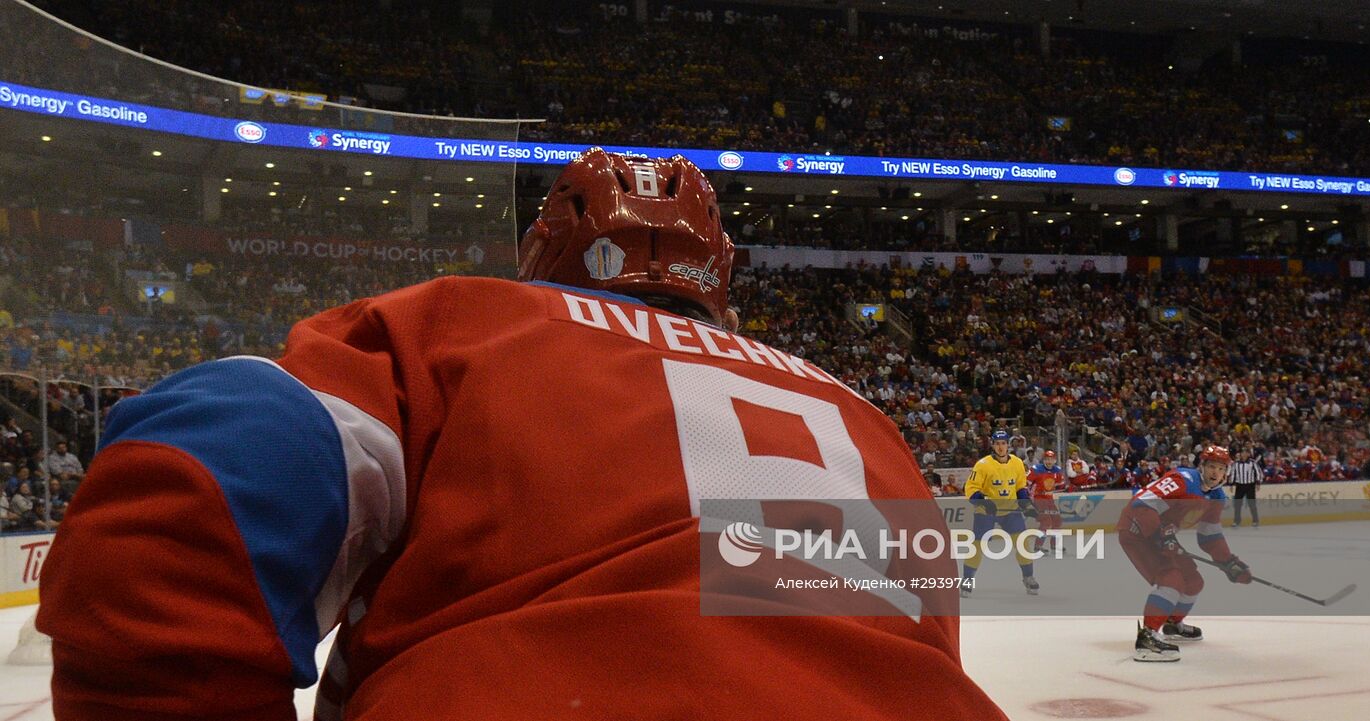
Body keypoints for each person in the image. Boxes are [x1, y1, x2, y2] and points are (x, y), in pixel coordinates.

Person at [38, 149, 1007, 720]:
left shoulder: (471, 324)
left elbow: (186, 483)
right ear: (724, 280)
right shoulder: (866, 421)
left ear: (543, 252)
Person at [1117, 445, 1252, 662]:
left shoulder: (1216, 497)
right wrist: (1160, 536)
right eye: (1211, 466)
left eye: (1220, 468)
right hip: (1137, 532)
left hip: (1162, 536)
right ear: (1202, 467)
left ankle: (1172, 623)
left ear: (1226, 473)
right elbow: (1142, 504)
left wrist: (1228, 562)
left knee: (1193, 582)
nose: (1215, 473)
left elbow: (1210, 537)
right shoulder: (1183, 479)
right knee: (1171, 580)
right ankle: (1147, 638)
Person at [961, 430, 1039, 597]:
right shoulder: (983, 464)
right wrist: (984, 502)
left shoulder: (1017, 463)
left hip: (1011, 509)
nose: (1001, 447)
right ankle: (967, 580)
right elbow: (970, 488)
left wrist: (1027, 505)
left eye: (1003, 443)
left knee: (1022, 542)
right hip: (987, 510)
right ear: (993, 445)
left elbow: (1020, 487)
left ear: (1008, 445)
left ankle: (1028, 576)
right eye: (997, 444)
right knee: (977, 545)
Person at [1026, 449, 1063, 551]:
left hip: (1049, 500)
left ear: (1055, 460)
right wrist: (1033, 494)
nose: (1049, 461)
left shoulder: (1057, 471)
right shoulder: (1036, 469)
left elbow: (1060, 485)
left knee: (1057, 521)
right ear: (1043, 460)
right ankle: (1038, 545)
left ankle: (1054, 545)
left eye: (1051, 459)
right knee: (1046, 521)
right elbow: (1026, 484)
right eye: (1047, 459)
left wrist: (1068, 487)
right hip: (1038, 499)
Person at [1227, 449, 1263, 528]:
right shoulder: (1236, 463)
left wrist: (1258, 483)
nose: (1243, 454)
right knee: (1237, 504)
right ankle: (1237, 521)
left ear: (1248, 454)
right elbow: (1233, 473)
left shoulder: (1252, 463)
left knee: (1252, 504)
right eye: (1242, 452)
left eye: (1245, 452)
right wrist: (1231, 484)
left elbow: (1258, 472)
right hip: (1239, 485)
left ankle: (1255, 520)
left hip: (1250, 485)